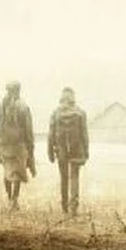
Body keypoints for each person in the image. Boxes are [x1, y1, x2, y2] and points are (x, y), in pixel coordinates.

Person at [0, 80, 35, 210]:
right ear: (19, 90)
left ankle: (9, 198)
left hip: (3, 144)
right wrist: (30, 148)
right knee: (17, 173)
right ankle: (14, 200)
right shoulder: (23, 107)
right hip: (19, 145)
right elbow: (28, 130)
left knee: (7, 170)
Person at [47, 86, 89, 216]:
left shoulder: (56, 113)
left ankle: (64, 206)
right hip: (77, 149)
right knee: (75, 177)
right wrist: (86, 151)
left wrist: (50, 152)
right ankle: (73, 208)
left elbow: (51, 134)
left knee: (63, 177)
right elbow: (84, 134)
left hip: (61, 150)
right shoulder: (80, 113)